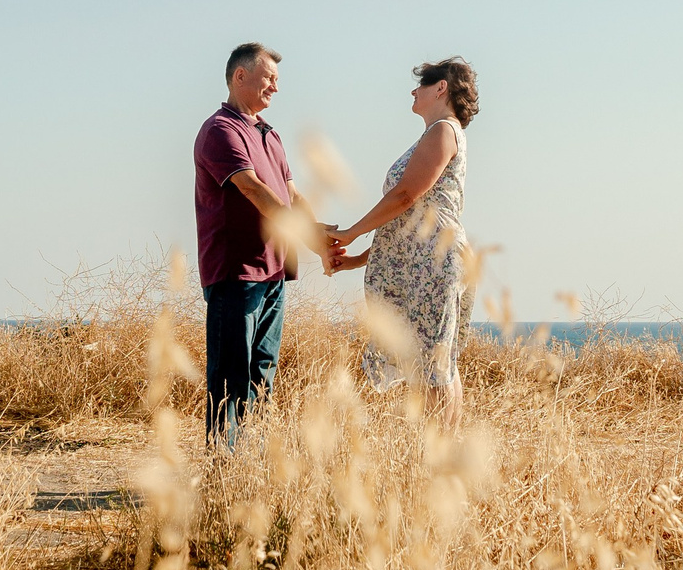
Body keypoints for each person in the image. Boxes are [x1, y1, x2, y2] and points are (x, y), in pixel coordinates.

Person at [192, 43, 333, 448]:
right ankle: (224, 469)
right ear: (240, 77)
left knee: (262, 373)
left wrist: (319, 239)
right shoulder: (221, 130)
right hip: (237, 273)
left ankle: (251, 466)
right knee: (230, 376)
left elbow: (292, 196)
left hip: (273, 272)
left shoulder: (269, 134)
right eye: (269, 78)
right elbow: (252, 189)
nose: (275, 87)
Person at [325, 57, 478, 428]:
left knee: (433, 367)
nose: (414, 90)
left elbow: (406, 196)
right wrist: (358, 258)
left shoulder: (442, 130)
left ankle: (437, 457)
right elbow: (407, 223)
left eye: (422, 83)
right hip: (427, 258)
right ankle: (440, 454)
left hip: (433, 260)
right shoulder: (438, 132)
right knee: (437, 362)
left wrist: (351, 232)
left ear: (441, 88)